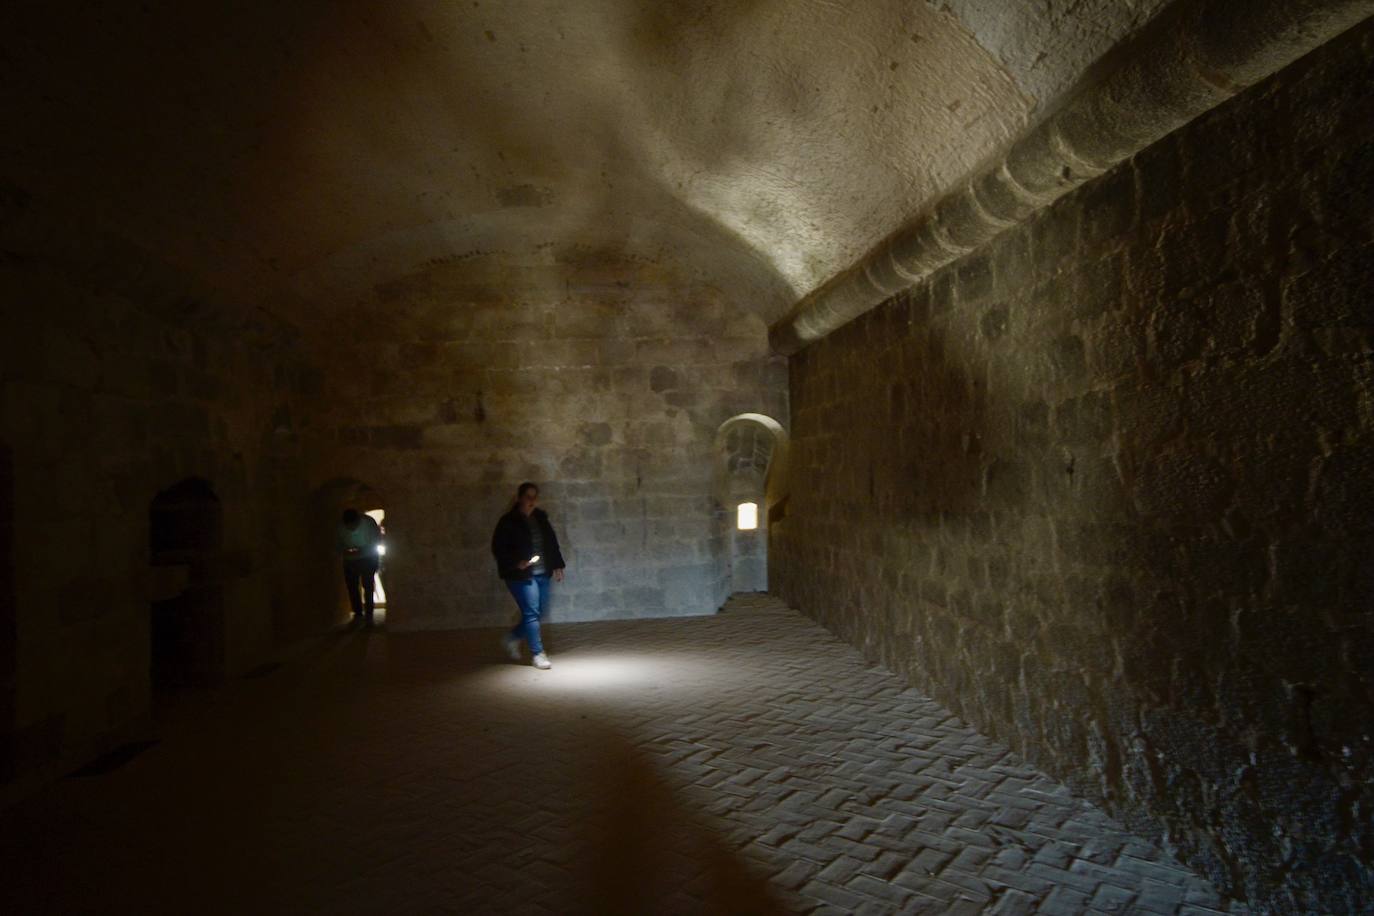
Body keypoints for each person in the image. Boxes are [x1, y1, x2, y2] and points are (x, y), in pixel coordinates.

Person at [491, 482, 565, 669]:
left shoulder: (540, 518)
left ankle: (512, 638)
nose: (531, 501)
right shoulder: (508, 521)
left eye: (534, 497)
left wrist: (557, 564)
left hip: (541, 573)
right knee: (532, 613)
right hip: (520, 575)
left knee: (540, 611)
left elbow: (551, 542)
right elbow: (499, 548)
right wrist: (516, 562)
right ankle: (537, 654)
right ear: (520, 498)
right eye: (528, 497)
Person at [337, 508, 383, 628]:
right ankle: (358, 615)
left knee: (368, 586)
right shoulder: (340, 527)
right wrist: (346, 552)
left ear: (358, 520)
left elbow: (376, 541)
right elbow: (338, 545)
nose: (351, 528)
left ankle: (369, 616)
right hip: (350, 561)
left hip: (368, 559)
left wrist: (358, 551)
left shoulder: (368, 523)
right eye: (348, 526)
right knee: (352, 587)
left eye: (353, 525)